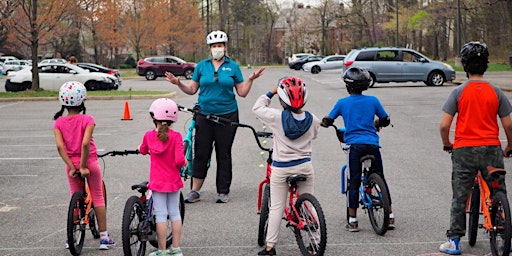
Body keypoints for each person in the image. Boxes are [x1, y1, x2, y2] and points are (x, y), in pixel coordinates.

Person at [164, 30, 265, 203]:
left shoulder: (232, 66)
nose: (217, 48)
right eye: (214, 46)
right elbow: (192, 89)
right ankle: (195, 190)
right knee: (201, 152)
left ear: (225, 47)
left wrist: (251, 80)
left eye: (220, 45)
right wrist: (178, 83)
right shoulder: (202, 66)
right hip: (204, 115)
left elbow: (242, 92)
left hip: (228, 116)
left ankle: (223, 191)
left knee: (223, 153)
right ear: (210, 48)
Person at [439, 41, 512, 255]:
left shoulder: (459, 92)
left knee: (460, 195)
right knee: (498, 189)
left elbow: (444, 125)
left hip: (464, 150)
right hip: (491, 148)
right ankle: (505, 232)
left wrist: (447, 143)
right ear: (486, 65)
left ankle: (454, 240)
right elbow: (508, 124)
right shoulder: (496, 92)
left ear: (465, 66)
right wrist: (510, 145)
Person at [320, 66, 394, 232]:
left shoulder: (342, 103)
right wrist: (378, 124)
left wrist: (326, 122)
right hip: (373, 145)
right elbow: (385, 119)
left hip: (355, 146)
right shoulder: (373, 101)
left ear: (347, 86)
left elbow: (328, 119)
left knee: (353, 182)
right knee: (380, 177)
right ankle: (389, 217)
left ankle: (353, 220)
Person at [253, 76, 320, 255]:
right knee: (309, 205)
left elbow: (257, 107)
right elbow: (313, 136)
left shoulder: (276, 117)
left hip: (282, 168)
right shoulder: (314, 119)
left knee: (276, 207)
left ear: (282, 100)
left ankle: (270, 247)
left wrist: (271, 92)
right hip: (305, 166)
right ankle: (315, 243)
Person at [53, 81, 115, 250]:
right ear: (82, 100)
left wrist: (72, 167)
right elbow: (85, 143)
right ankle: (104, 237)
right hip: (89, 162)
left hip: (70, 164)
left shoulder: (58, 123)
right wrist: (82, 166)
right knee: (97, 196)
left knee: (75, 194)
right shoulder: (88, 119)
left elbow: (60, 146)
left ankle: (70, 238)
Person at [139, 98, 187, 256]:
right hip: (173, 181)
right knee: (174, 213)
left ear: (154, 116)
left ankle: (162, 250)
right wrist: (185, 161)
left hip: (157, 183)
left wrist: (143, 149)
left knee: (160, 214)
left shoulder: (148, 136)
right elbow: (180, 160)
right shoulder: (177, 137)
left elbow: (143, 150)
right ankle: (176, 248)